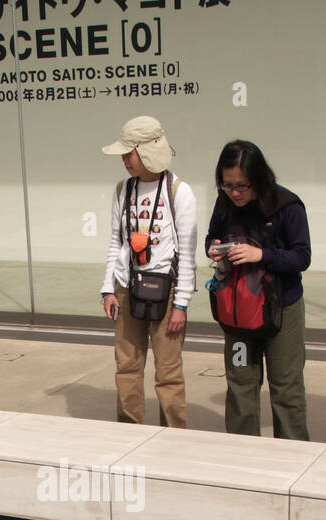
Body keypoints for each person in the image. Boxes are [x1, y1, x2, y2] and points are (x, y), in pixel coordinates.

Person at [204, 140, 312, 439]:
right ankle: (244, 458)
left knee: (286, 386)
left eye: (242, 185)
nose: (235, 193)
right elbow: (212, 236)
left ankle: (292, 458)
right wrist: (213, 248)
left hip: (282, 310)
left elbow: (302, 257)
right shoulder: (224, 203)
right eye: (227, 186)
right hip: (238, 313)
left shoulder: (287, 206)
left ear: (259, 178)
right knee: (240, 383)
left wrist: (260, 254)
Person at [100, 115, 196, 428]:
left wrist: (181, 303)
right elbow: (116, 243)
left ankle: (174, 435)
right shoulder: (122, 190)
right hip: (127, 285)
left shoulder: (179, 192)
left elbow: (187, 252)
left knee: (168, 372)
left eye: (130, 152)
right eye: (124, 153)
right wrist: (108, 288)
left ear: (148, 151)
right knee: (126, 364)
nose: (125, 159)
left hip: (166, 291)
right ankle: (129, 430)